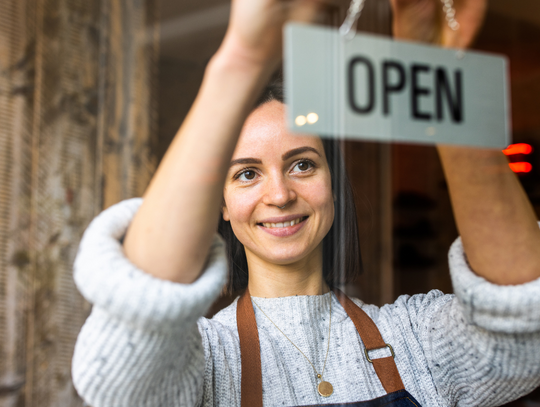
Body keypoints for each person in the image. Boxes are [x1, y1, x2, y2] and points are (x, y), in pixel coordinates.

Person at [71, 0, 540, 406]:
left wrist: (440, 81)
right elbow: (119, 377)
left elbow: (524, 332)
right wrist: (243, 57)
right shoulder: (207, 358)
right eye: (247, 174)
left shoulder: (417, 338)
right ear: (221, 204)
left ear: (333, 184)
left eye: (302, 165)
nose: (279, 195)